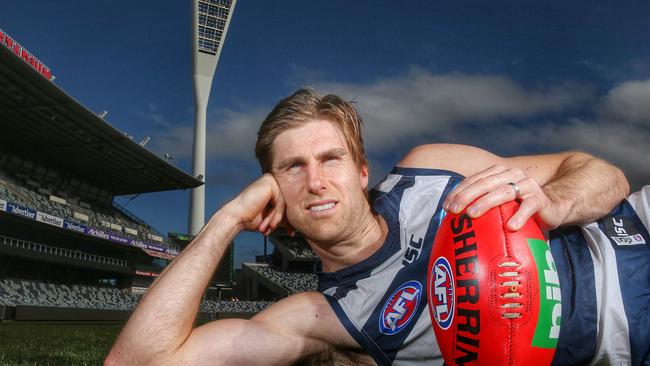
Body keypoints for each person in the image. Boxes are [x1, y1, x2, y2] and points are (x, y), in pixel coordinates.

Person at [105, 88, 642, 366]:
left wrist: (554, 202)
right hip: (623, 341)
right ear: (273, 194)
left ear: (362, 172)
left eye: (330, 158)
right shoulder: (321, 317)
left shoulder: (432, 170)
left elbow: (603, 173)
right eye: (292, 167)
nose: (315, 181)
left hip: (633, 230)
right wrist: (224, 220)